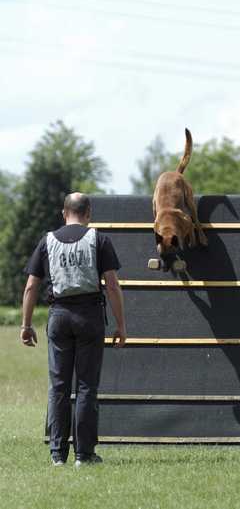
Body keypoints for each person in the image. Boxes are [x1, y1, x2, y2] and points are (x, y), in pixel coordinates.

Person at [21, 192, 127, 467]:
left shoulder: (47, 241)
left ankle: (57, 454)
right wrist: (121, 324)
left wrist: (26, 324)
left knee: (58, 386)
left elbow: (32, 286)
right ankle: (84, 454)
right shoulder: (99, 240)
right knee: (85, 387)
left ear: (63, 213)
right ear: (88, 213)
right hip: (89, 316)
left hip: (58, 316)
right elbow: (112, 285)